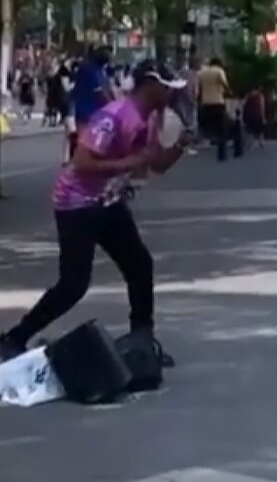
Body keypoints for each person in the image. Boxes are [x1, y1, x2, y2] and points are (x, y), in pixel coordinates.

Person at [0, 62, 192, 361]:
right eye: (167, 87)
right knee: (73, 284)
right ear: (150, 85)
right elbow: (81, 163)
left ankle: (142, 340)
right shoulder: (114, 117)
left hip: (108, 201)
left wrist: (181, 145)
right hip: (76, 204)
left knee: (140, 266)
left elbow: (154, 165)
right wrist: (127, 163)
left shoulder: (152, 119)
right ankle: (14, 338)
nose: (170, 94)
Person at [71, 47, 114, 159]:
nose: (109, 56)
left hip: (96, 113)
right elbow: (100, 93)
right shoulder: (89, 69)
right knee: (86, 143)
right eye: (106, 52)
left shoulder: (101, 70)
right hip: (87, 112)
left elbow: (108, 89)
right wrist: (113, 107)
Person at [196, 57, 231, 156]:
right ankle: (221, 142)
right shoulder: (219, 71)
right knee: (222, 124)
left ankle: (206, 139)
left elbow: (197, 90)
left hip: (205, 102)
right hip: (218, 101)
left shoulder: (201, 73)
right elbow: (224, 84)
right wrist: (229, 92)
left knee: (206, 123)